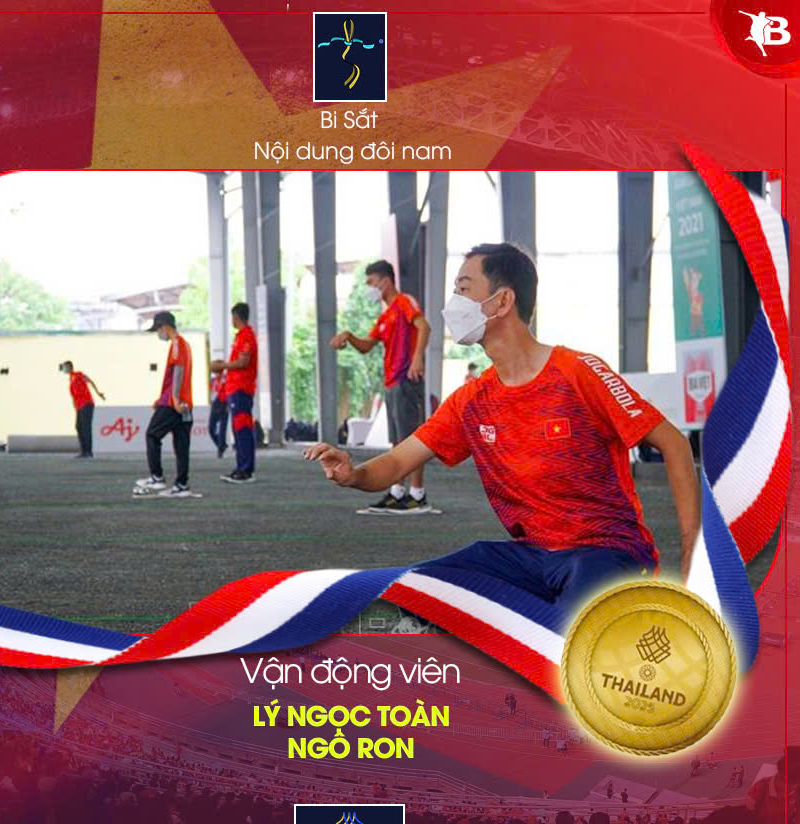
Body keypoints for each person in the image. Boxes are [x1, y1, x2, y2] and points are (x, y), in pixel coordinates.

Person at [306, 243, 701, 611]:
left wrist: (692, 553)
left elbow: (674, 443)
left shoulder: (578, 372)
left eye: (464, 288)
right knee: (412, 594)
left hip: (604, 552)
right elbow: (397, 462)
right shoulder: (471, 399)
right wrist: (353, 474)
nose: (453, 303)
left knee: (569, 639)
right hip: (529, 556)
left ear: (502, 301)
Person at [331, 260, 432, 514]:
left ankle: (417, 495)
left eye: (371, 282)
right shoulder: (386, 316)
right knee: (398, 441)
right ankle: (397, 492)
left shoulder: (404, 303)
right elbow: (367, 345)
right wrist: (348, 336)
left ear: (386, 281)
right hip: (391, 382)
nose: (369, 287)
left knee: (412, 439)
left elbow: (424, 326)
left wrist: (417, 358)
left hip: (406, 379)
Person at [132, 311, 195, 498]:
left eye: (158, 329)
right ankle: (182, 485)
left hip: (173, 403)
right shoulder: (185, 344)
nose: (158, 334)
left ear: (165, 327)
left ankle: (157, 477)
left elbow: (178, 370)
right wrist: (163, 399)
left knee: (152, 435)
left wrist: (173, 398)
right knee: (181, 445)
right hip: (184, 403)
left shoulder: (176, 344)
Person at [212, 303, 258, 484]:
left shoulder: (246, 335)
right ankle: (241, 468)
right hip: (236, 389)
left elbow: (243, 362)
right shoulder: (241, 336)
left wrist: (222, 365)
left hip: (241, 389)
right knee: (239, 429)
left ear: (236, 317)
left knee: (242, 429)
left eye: (232, 317)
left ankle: (245, 470)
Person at [61, 361, 104, 458]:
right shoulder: (71, 379)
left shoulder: (78, 375)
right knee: (79, 427)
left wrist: (98, 392)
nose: (64, 369)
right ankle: (84, 450)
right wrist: (75, 406)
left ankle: (88, 451)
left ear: (70, 367)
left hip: (86, 403)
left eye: (65, 367)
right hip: (79, 406)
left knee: (86, 427)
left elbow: (89, 381)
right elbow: (74, 396)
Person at [208, 369, 229, 458]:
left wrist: (228, 404)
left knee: (222, 428)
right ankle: (221, 445)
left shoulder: (226, 379)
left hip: (224, 403)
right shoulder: (213, 380)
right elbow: (211, 391)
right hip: (215, 403)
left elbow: (229, 391)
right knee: (211, 428)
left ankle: (220, 449)